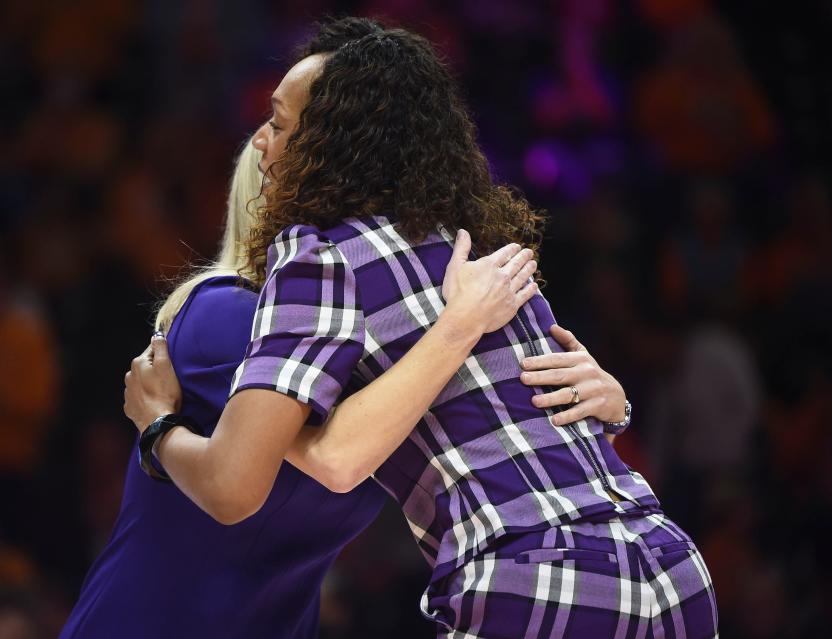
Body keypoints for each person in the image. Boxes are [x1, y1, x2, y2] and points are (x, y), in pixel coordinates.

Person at [126, 18, 716, 638]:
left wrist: (158, 427)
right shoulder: (478, 246)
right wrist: (615, 405)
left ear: (332, 142)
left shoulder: (317, 255)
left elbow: (233, 485)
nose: (261, 144)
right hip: (668, 565)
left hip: (535, 577)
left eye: (277, 123)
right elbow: (556, 417)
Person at [61, 133, 545, 638]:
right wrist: (457, 330)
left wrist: (598, 396)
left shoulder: (374, 357)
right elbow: (321, 460)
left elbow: (512, 448)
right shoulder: (226, 313)